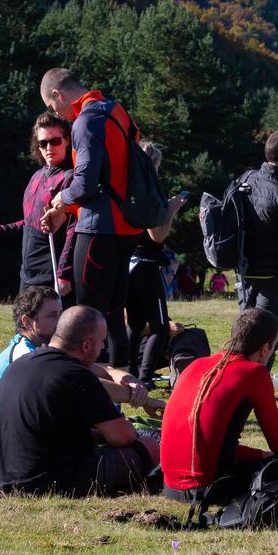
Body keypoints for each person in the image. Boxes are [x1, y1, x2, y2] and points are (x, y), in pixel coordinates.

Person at [0, 306, 160, 497]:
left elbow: (50, 431)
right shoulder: (76, 375)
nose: (102, 348)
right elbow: (123, 436)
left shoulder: (21, 363)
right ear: (86, 345)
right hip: (46, 483)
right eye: (101, 342)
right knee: (150, 445)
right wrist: (130, 431)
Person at [159, 308, 278, 502]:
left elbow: (212, 441)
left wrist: (261, 455)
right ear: (265, 349)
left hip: (171, 487)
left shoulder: (197, 365)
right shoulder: (254, 373)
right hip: (212, 488)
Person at [38, 68, 143, 365]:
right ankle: (120, 396)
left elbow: (85, 183)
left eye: (52, 106)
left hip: (99, 229)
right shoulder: (116, 111)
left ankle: (89, 396)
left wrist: (62, 199)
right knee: (113, 316)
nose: (56, 112)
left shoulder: (85, 122)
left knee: (86, 317)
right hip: (127, 227)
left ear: (58, 95)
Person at [0, 113, 76, 298]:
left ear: (67, 141)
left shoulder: (71, 178)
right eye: (43, 143)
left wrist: (64, 274)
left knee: (51, 327)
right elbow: (29, 223)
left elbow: (73, 230)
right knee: (23, 326)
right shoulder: (37, 176)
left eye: (55, 141)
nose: (49, 147)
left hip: (53, 275)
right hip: (28, 273)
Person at [234, 130, 278, 361]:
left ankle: (236, 383)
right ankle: (252, 390)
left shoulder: (246, 179)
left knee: (244, 337)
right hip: (276, 276)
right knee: (266, 340)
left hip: (245, 272)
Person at [0, 286, 63, 471]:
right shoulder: (24, 354)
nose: (60, 322)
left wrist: (124, 379)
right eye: (52, 315)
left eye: (60, 314)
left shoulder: (39, 349)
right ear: (27, 322)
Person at [126, 142, 186, 388]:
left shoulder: (125, 186)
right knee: (160, 327)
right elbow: (157, 235)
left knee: (135, 323)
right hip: (147, 266)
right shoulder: (147, 190)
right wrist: (172, 209)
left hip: (129, 263)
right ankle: (145, 376)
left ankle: (127, 371)